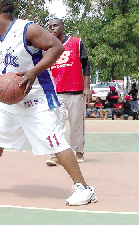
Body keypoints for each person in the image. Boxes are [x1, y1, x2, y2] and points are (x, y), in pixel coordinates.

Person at [0, 0, 97, 206]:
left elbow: (56, 47)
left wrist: (33, 72)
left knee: (55, 141)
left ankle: (84, 188)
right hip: (11, 101)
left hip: (38, 97)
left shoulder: (28, 29)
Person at [45, 18, 91, 166]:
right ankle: (55, 154)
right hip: (56, 91)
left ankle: (78, 151)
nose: (52, 28)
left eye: (55, 25)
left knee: (76, 123)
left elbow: (86, 65)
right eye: (50, 26)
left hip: (76, 89)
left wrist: (87, 87)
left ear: (63, 27)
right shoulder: (48, 46)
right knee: (55, 124)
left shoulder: (76, 43)